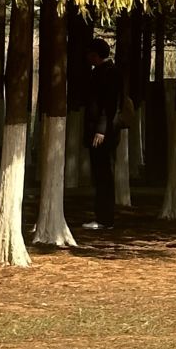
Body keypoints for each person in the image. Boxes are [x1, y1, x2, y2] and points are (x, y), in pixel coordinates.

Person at [82, 35, 121, 231]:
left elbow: (108, 105)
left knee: (103, 174)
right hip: (101, 132)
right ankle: (102, 215)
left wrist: (101, 130)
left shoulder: (108, 73)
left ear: (95, 55)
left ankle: (105, 218)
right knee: (100, 175)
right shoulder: (101, 71)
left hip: (103, 134)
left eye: (89, 55)